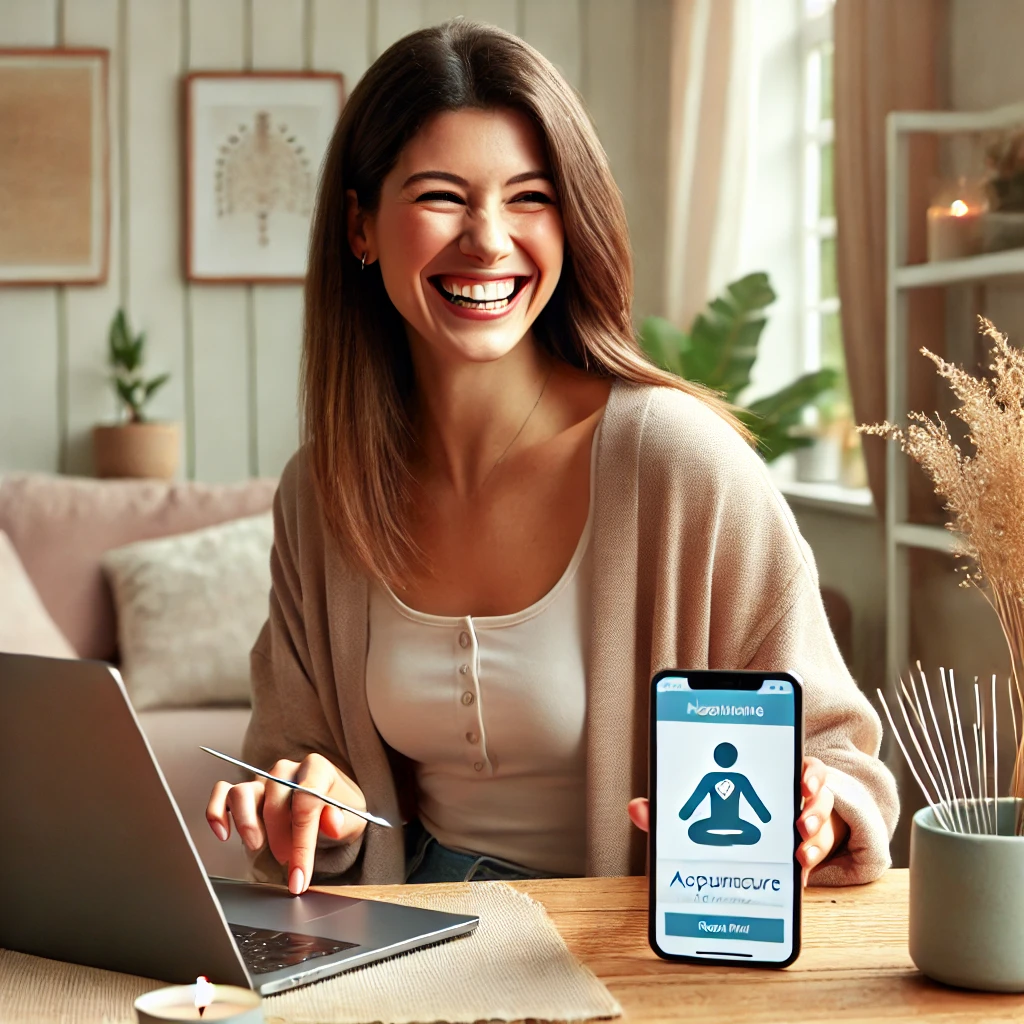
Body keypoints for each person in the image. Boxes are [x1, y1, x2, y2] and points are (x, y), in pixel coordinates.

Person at [206, 20, 898, 894]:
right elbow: (290, 759)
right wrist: (317, 803)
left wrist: (817, 809)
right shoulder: (322, 491)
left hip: (624, 947)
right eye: (441, 197)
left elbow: (841, 757)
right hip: (412, 930)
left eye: (529, 197)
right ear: (360, 226)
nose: (489, 240)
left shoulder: (679, 463)